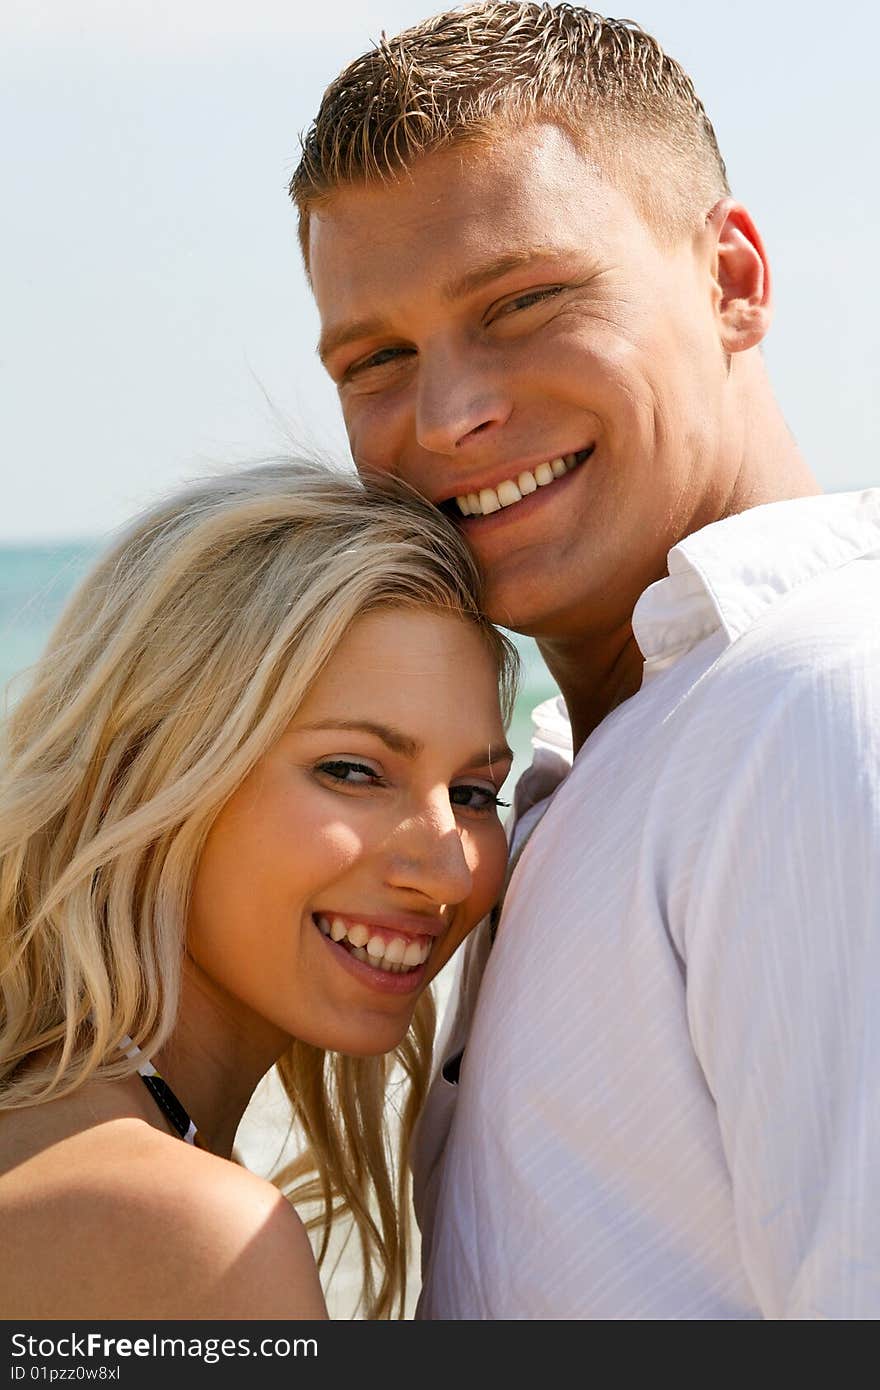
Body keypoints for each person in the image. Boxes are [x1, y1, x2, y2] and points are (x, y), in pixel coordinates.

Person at [290, 2, 880, 1319]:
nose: (449, 416)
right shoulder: (589, 753)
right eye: (374, 360)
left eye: (525, 301)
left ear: (732, 280)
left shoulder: (827, 702)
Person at [0, 458, 517, 1320]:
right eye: (353, 771)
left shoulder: (63, 1141)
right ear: (151, 773)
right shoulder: (177, 1235)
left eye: (473, 795)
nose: (450, 870)